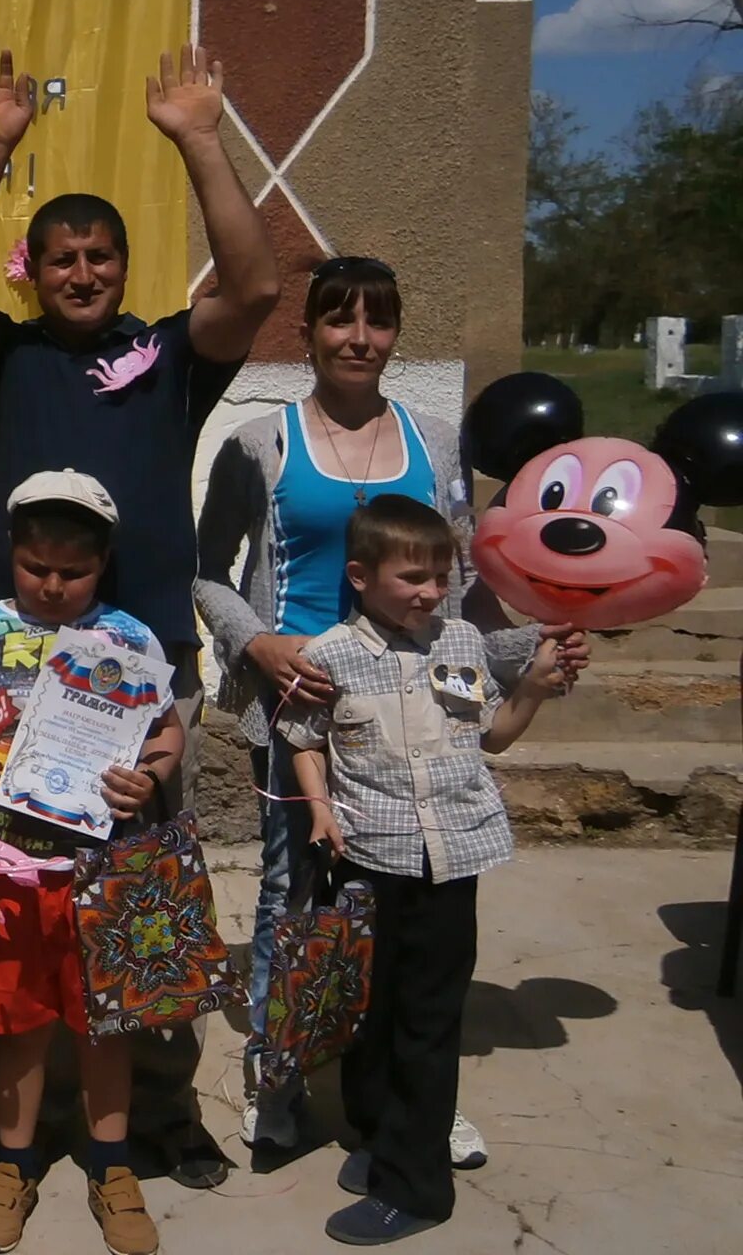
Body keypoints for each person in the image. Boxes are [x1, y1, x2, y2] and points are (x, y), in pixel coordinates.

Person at [0, 40, 279, 1185]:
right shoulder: (4, 358)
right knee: (25, 895)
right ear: (32, 270)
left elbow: (257, 285)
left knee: (142, 888)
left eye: (100, 256)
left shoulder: (169, 355)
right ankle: (20, 1134)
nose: (81, 273)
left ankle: (149, 1121)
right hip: (16, 672)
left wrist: (198, 139)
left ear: (123, 266)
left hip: (142, 666)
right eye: (61, 257)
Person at [193, 256, 586, 1162]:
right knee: (297, 894)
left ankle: (419, 1097)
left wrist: (536, 646)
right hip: (301, 705)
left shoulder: (438, 441)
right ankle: (278, 1078)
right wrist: (259, 645)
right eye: (339, 321)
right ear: (310, 333)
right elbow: (212, 572)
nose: (359, 340)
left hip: (420, 709)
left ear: (396, 332)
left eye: (377, 322)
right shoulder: (261, 443)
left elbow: (466, 587)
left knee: (420, 904)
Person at [280, 496, 566, 1245]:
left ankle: (417, 1187)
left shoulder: (461, 643)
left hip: (451, 859)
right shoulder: (331, 654)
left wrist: (533, 684)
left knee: (427, 1025)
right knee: (370, 1014)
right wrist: (320, 809)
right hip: (371, 855)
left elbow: (491, 738)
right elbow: (305, 738)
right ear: (361, 576)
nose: (431, 593)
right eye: (413, 578)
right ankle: (377, 1137)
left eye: (441, 577)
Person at [0, 470, 184, 1255]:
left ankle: (112, 1164)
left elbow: (168, 733)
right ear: (13, 554)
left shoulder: (131, 642)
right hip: (4, 869)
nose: (54, 585)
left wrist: (153, 775)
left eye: (73, 572)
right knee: (18, 1021)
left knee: (105, 1022)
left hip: (102, 871)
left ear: (103, 563)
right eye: (39, 567)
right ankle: (12, 1161)